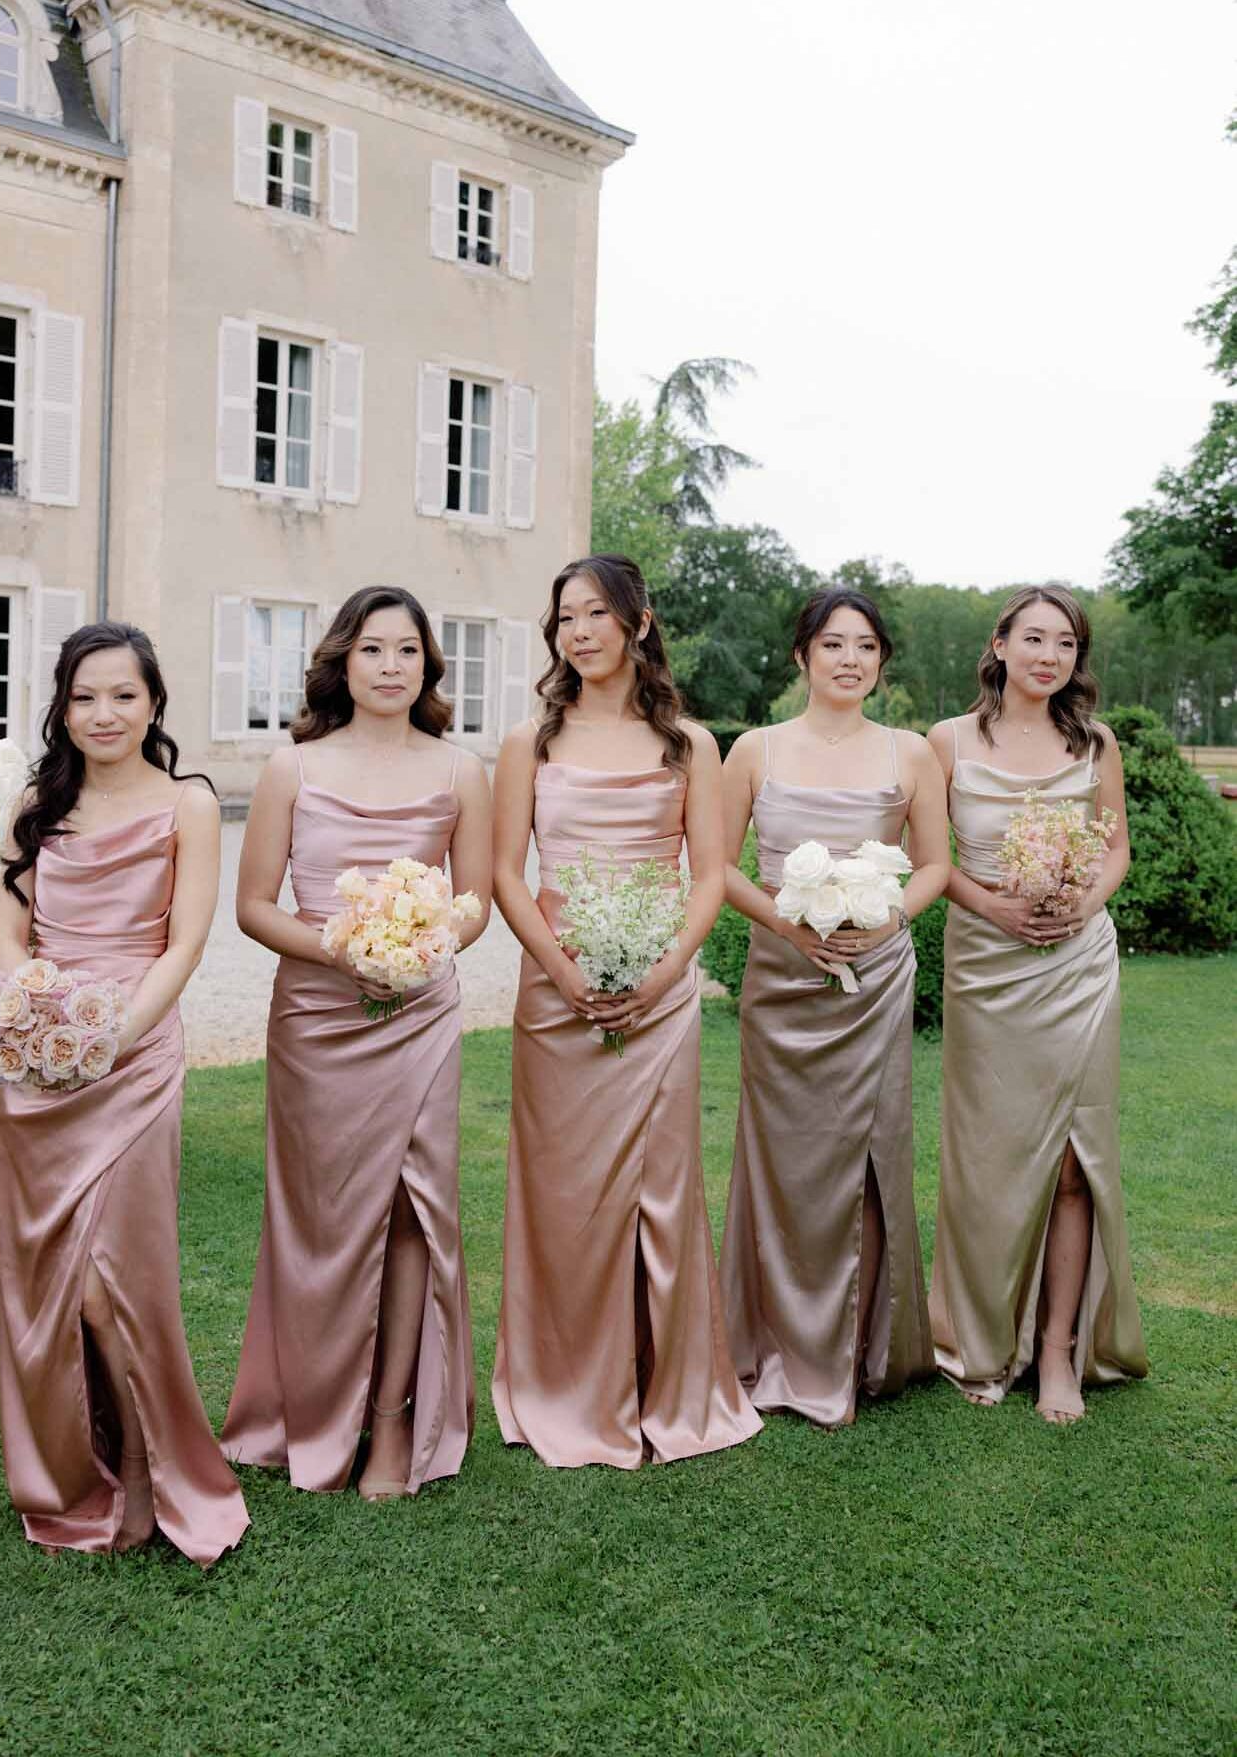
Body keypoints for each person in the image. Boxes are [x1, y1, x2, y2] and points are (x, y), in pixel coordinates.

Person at [490, 554, 762, 1469]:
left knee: (662, 1189)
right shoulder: (530, 742)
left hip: (659, 995)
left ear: (638, 622)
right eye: (564, 615)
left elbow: (711, 875)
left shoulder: (689, 744)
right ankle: (566, 1384)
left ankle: (666, 1385)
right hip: (555, 990)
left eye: (596, 612)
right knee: (562, 1194)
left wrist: (664, 972)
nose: (578, 630)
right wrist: (563, 971)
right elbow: (501, 873)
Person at [222, 587, 491, 1500]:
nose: (389, 666)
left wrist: (418, 947)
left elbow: (478, 901)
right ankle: (310, 1408)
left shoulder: (461, 770)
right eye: (371, 649)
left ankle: (389, 1423)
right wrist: (345, 948)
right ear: (342, 660)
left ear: (428, 667)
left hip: (418, 1014)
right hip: (316, 1017)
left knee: (415, 1210)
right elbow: (254, 904)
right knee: (321, 1220)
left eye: (407, 650)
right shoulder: (289, 767)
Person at [0, 621, 247, 1563]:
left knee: (115, 1283)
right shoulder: (35, 800)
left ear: (153, 703)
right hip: (38, 1069)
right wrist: (32, 1019)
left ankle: (146, 1469)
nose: (104, 713)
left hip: (132, 1060)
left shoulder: (187, 803)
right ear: (62, 704)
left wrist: (110, 1038)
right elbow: (10, 934)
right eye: (86, 696)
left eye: (124, 695)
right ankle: (78, 1463)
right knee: (51, 1279)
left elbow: (184, 944)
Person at [717, 588, 947, 1426]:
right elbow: (718, 865)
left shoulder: (910, 753)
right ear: (801, 656)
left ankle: (862, 1348)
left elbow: (934, 866)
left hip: (875, 977)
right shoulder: (753, 749)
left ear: (881, 661)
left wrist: (887, 916)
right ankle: (765, 1342)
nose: (849, 659)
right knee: (779, 1156)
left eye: (865, 646)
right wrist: (788, 916)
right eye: (832, 644)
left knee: (867, 1150)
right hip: (782, 978)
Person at [927, 586, 1148, 1422]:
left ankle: (1056, 1350)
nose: (1047, 655)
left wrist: (1083, 902)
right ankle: (982, 1336)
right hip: (987, 966)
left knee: (1071, 1159)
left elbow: (1115, 843)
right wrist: (995, 907)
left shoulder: (1094, 742)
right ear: (1000, 644)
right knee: (987, 1160)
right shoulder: (945, 741)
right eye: (1033, 638)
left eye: (1063, 642)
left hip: (1078, 965)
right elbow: (926, 857)